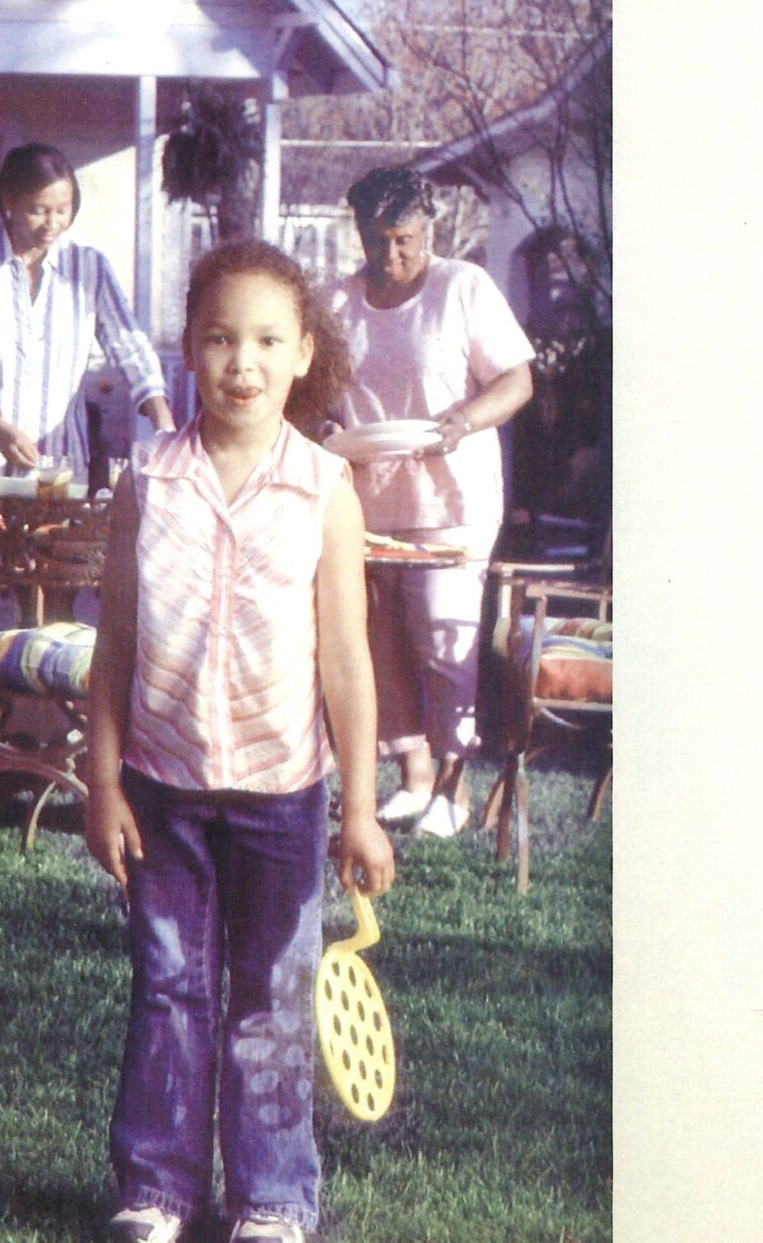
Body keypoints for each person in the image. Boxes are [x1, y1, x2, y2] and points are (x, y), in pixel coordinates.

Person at [84, 240, 395, 1243]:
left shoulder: (322, 489)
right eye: (219, 339)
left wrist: (359, 806)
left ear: (303, 352)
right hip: (163, 789)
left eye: (266, 341)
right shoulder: (147, 482)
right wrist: (102, 782)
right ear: (187, 347)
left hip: (282, 793)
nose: (241, 363)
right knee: (169, 987)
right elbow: (115, 648)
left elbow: (346, 660)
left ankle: (271, 1200)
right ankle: (158, 1188)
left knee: (268, 994)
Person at [329, 167, 536, 837]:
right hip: (368, 496)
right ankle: (413, 778)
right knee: (377, 640)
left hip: (452, 497)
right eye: (375, 240)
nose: (389, 256)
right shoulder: (337, 302)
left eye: (404, 240)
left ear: (430, 229)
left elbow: (516, 379)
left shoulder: (461, 288)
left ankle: (455, 784)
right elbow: (313, 394)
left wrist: (465, 422)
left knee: (444, 636)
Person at [0, 142, 174, 479]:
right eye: (38, 210)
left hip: (59, 470)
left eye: (63, 210)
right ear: (9, 201)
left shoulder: (89, 268)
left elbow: (131, 348)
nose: (52, 223)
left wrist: (164, 424)